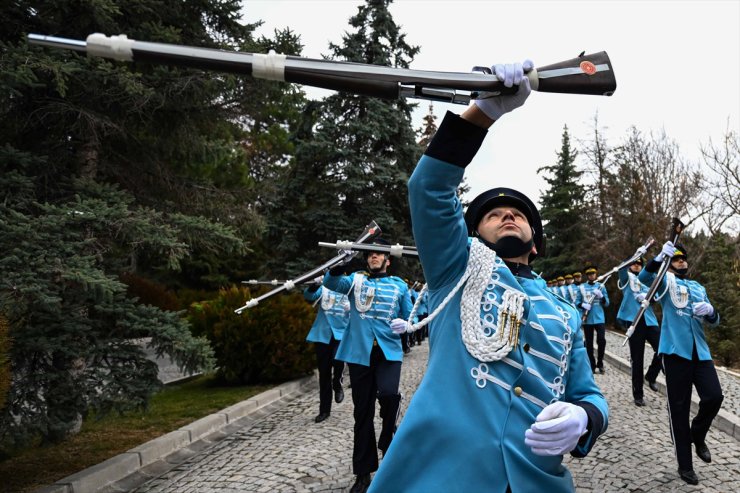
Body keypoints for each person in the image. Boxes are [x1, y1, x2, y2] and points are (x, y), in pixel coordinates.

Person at [369, 61, 608, 493]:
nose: (507, 215)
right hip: (441, 478)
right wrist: (485, 111)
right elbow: (428, 190)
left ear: (535, 242)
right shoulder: (454, 270)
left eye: (517, 214)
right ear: (471, 234)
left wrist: (584, 418)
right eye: (493, 215)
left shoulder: (565, 314)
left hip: (537, 481)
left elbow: (589, 395)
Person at [323, 238, 413, 493]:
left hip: (388, 353)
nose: (374, 257)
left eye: (379, 254)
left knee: (388, 395)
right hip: (359, 354)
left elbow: (410, 314)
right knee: (362, 413)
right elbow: (332, 283)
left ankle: (387, 440)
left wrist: (407, 324)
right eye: (371, 254)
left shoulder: (399, 286)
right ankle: (363, 473)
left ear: (388, 259)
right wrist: (343, 260)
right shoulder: (355, 281)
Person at [639, 242, 723, 485]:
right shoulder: (665, 282)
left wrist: (710, 311)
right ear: (670, 263)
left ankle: (698, 433)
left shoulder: (698, 286)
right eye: (676, 259)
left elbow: (714, 321)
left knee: (714, 397)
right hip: (675, 352)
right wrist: (657, 259)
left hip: (701, 353)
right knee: (679, 408)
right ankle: (685, 465)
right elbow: (645, 278)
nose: (681, 262)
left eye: (683, 259)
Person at [616, 257, 661, 406]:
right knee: (637, 358)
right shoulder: (626, 278)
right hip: (633, 320)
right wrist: (635, 255)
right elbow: (621, 269)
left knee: (662, 349)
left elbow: (656, 296)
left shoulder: (647, 279)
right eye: (634, 263)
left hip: (649, 319)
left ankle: (651, 375)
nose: (636, 266)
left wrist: (649, 298)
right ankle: (638, 394)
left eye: (639, 264)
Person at [303, 279, 349, 422]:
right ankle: (324, 410)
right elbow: (309, 296)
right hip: (323, 334)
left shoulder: (349, 287)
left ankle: (338, 383)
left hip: (341, 333)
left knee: (338, 359)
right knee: (324, 374)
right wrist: (315, 285)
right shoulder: (324, 287)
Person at [578, 264, 610, 373]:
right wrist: (583, 305)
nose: (591, 276)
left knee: (601, 340)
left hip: (599, 318)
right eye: (589, 274)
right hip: (588, 319)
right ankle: (591, 364)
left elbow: (607, 304)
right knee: (589, 343)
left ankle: (600, 362)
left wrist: (602, 297)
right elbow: (576, 301)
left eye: (593, 274)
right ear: (587, 276)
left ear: (596, 274)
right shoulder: (581, 287)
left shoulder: (601, 286)